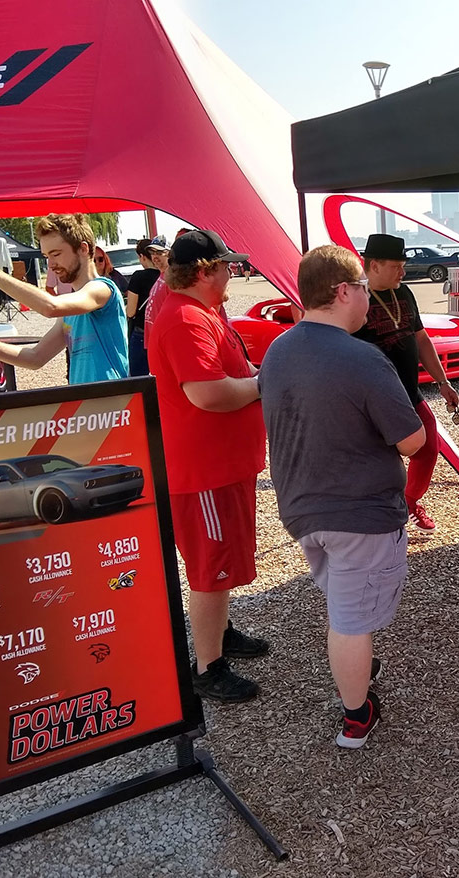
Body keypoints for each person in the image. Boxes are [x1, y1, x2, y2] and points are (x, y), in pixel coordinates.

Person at [261, 245, 425, 748]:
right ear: (343, 291)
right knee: (351, 621)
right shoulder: (362, 358)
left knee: (344, 602)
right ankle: (357, 715)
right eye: (361, 287)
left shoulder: (278, 350)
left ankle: (357, 666)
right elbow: (412, 439)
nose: (368, 299)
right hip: (358, 512)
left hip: (301, 509)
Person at [146, 229, 269, 701]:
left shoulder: (200, 311)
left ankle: (219, 634)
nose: (231, 271)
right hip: (203, 471)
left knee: (221, 562)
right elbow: (209, 393)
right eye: (224, 265)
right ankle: (209, 666)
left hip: (220, 466)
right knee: (210, 568)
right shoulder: (186, 318)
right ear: (204, 271)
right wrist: (264, 384)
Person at [354, 234, 459, 535]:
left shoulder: (405, 293)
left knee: (428, 445)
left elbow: (422, 339)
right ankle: (376, 515)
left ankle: (409, 502)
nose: (403, 273)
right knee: (379, 458)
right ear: (374, 265)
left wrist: (443, 382)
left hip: (408, 391)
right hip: (369, 398)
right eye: (396, 266)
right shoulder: (355, 296)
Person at [0, 214, 128, 383]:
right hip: (89, 411)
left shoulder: (103, 289)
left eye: (56, 254)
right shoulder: (71, 311)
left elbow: (50, 306)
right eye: (47, 256)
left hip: (113, 409)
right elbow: (35, 358)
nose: (51, 264)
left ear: (83, 249)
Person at [125, 239, 160, 377]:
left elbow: (131, 311)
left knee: (139, 380)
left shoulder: (138, 277)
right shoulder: (165, 277)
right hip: (160, 333)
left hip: (142, 333)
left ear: (142, 256)